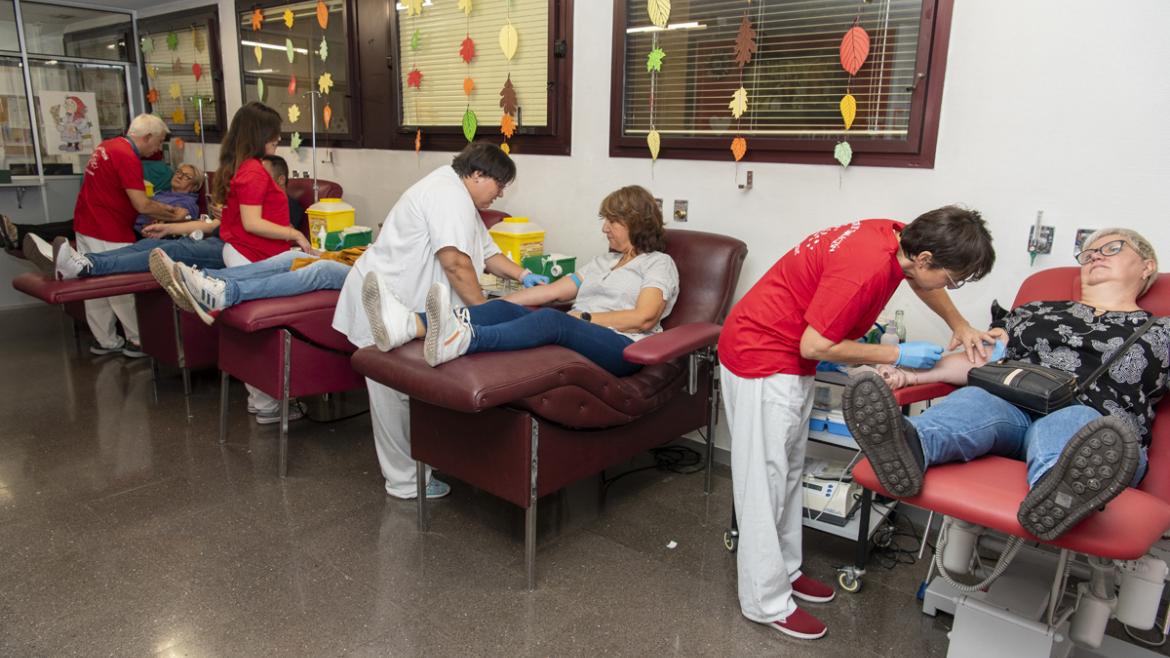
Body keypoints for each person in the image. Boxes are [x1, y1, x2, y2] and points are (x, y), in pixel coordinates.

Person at [716, 207, 996, 640]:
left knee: (788, 473)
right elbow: (815, 345)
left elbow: (922, 283)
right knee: (763, 481)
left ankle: (785, 572)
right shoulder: (863, 269)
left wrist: (958, 322)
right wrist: (896, 355)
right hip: (762, 356)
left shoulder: (895, 235)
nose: (950, 286)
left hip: (784, 355)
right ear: (924, 258)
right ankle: (764, 601)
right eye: (952, 278)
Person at [843, 228, 1168, 542]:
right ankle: (909, 444)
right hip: (1014, 406)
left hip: (1096, 430)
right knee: (976, 398)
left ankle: (1060, 494)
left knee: (1074, 422)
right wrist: (908, 375)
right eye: (1088, 253)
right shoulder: (1034, 311)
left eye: (1111, 248)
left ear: (1146, 266)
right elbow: (982, 358)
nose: (1095, 255)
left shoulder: (1161, 332)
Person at [332, 142, 544, 500]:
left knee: (408, 389)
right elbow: (456, 264)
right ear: (478, 175)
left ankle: (420, 464)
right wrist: (483, 315)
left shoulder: (458, 193)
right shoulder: (448, 196)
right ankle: (404, 482)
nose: (501, 193)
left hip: (407, 307)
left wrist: (524, 274)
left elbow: (486, 250)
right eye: (500, 184)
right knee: (392, 393)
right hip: (385, 301)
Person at [363, 185, 679, 377]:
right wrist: (496, 306)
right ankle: (410, 326)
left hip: (623, 348)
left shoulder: (658, 264)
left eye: (612, 221)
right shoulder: (604, 262)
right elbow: (552, 292)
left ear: (635, 223)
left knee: (552, 321)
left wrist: (582, 318)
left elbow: (643, 317)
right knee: (508, 310)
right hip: (582, 331)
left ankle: (463, 340)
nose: (604, 229)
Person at [205, 101, 313, 421]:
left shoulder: (245, 167)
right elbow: (252, 223)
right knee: (264, 330)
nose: (277, 142)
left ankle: (260, 400)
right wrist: (294, 235)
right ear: (260, 134)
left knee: (254, 329)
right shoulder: (253, 171)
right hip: (250, 254)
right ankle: (267, 404)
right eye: (274, 137)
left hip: (248, 252)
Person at [69, 113, 191, 358]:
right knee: (121, 285)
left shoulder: (106, 147)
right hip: (108, 228)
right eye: (158, 143)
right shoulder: (127, 156)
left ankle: (105, 340)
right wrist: (173, 215)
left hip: (85, 222)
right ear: (146, 137)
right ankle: (137, 341)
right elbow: (142, 205)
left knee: (92, 283)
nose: (158, 149)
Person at [260, 154, 307, 233]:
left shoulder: (292, 208)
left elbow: (285, 234)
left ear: (281, 180)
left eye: (264, 176)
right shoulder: (257, 203)